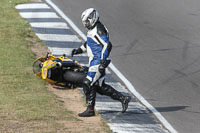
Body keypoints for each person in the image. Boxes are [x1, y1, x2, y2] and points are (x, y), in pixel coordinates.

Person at [71, 8, 131, 117]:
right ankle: (123, 98)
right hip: (95, 61)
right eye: (85, 22)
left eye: (87, 21)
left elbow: (107, 45)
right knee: (100, 87)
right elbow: (90, 43)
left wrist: (102, 62)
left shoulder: (99, 29)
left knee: (87, 83)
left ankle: (90, 110)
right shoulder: (93, 29)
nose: (85, 24)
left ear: (92, 18)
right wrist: (79, 50)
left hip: (97, 62)